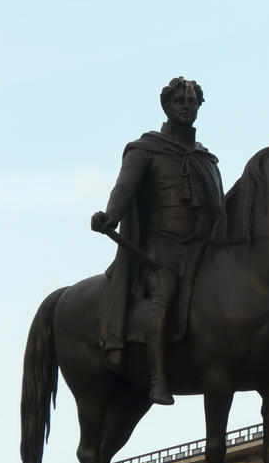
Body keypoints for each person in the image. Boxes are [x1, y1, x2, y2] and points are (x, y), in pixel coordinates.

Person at [92, 77, 223, 405]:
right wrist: (111, 215)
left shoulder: (207, 160)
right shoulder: (145, 149)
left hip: (201, 249)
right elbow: (124, 189)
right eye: (179, 101)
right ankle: (157, 379)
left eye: (191, 102)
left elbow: (219, 209)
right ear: (166, 106)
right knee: (164, 295)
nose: (185, 106)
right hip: (160, 248)